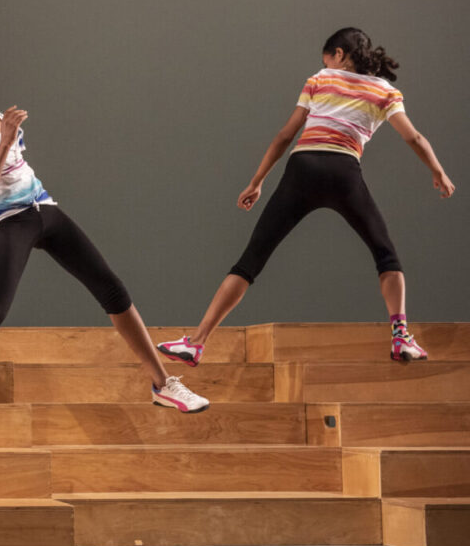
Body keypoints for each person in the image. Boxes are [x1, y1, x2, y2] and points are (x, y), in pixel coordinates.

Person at [158, 28, 455, 367]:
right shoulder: (385, 90)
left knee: (250, 260)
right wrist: (438, 171)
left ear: (339, 55)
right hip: (344, 171)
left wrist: (257, 181)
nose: (325, 63)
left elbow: (286, 134)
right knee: (386, 256)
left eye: (327, 57)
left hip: (302, 168)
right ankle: (401, 337)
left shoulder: (320, 78)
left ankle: (196, 343)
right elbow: (414, 137)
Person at [0, 49, 208, 411]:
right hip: (12, 222)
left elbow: (15, 178)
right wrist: (4, 145)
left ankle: (163, 384)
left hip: (44, 208)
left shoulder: (4, 121)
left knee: (111, 288)